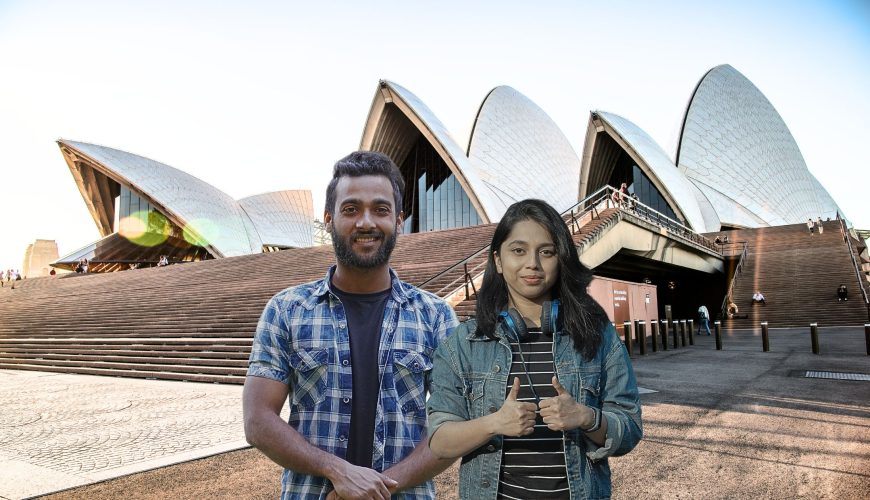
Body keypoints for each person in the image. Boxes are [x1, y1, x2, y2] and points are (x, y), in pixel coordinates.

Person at [243, 151, 458, 500]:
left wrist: (376, 487)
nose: (366, 222)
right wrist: (336, 470)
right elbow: (257, 420)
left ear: (399, 220)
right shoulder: (286, 310)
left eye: (381, 209)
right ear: (328, 219)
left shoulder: (435, 317)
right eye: (351, 209)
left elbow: (454, 423)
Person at [427, 199, 643, 499]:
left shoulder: (597, 335)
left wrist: (586, 417)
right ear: (498, 261)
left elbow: (630, 428)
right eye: (518, 250)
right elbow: (439, 440)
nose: (533, 263)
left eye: (547, 252)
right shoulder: (464, 343)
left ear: (562, 259)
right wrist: (494, 423)